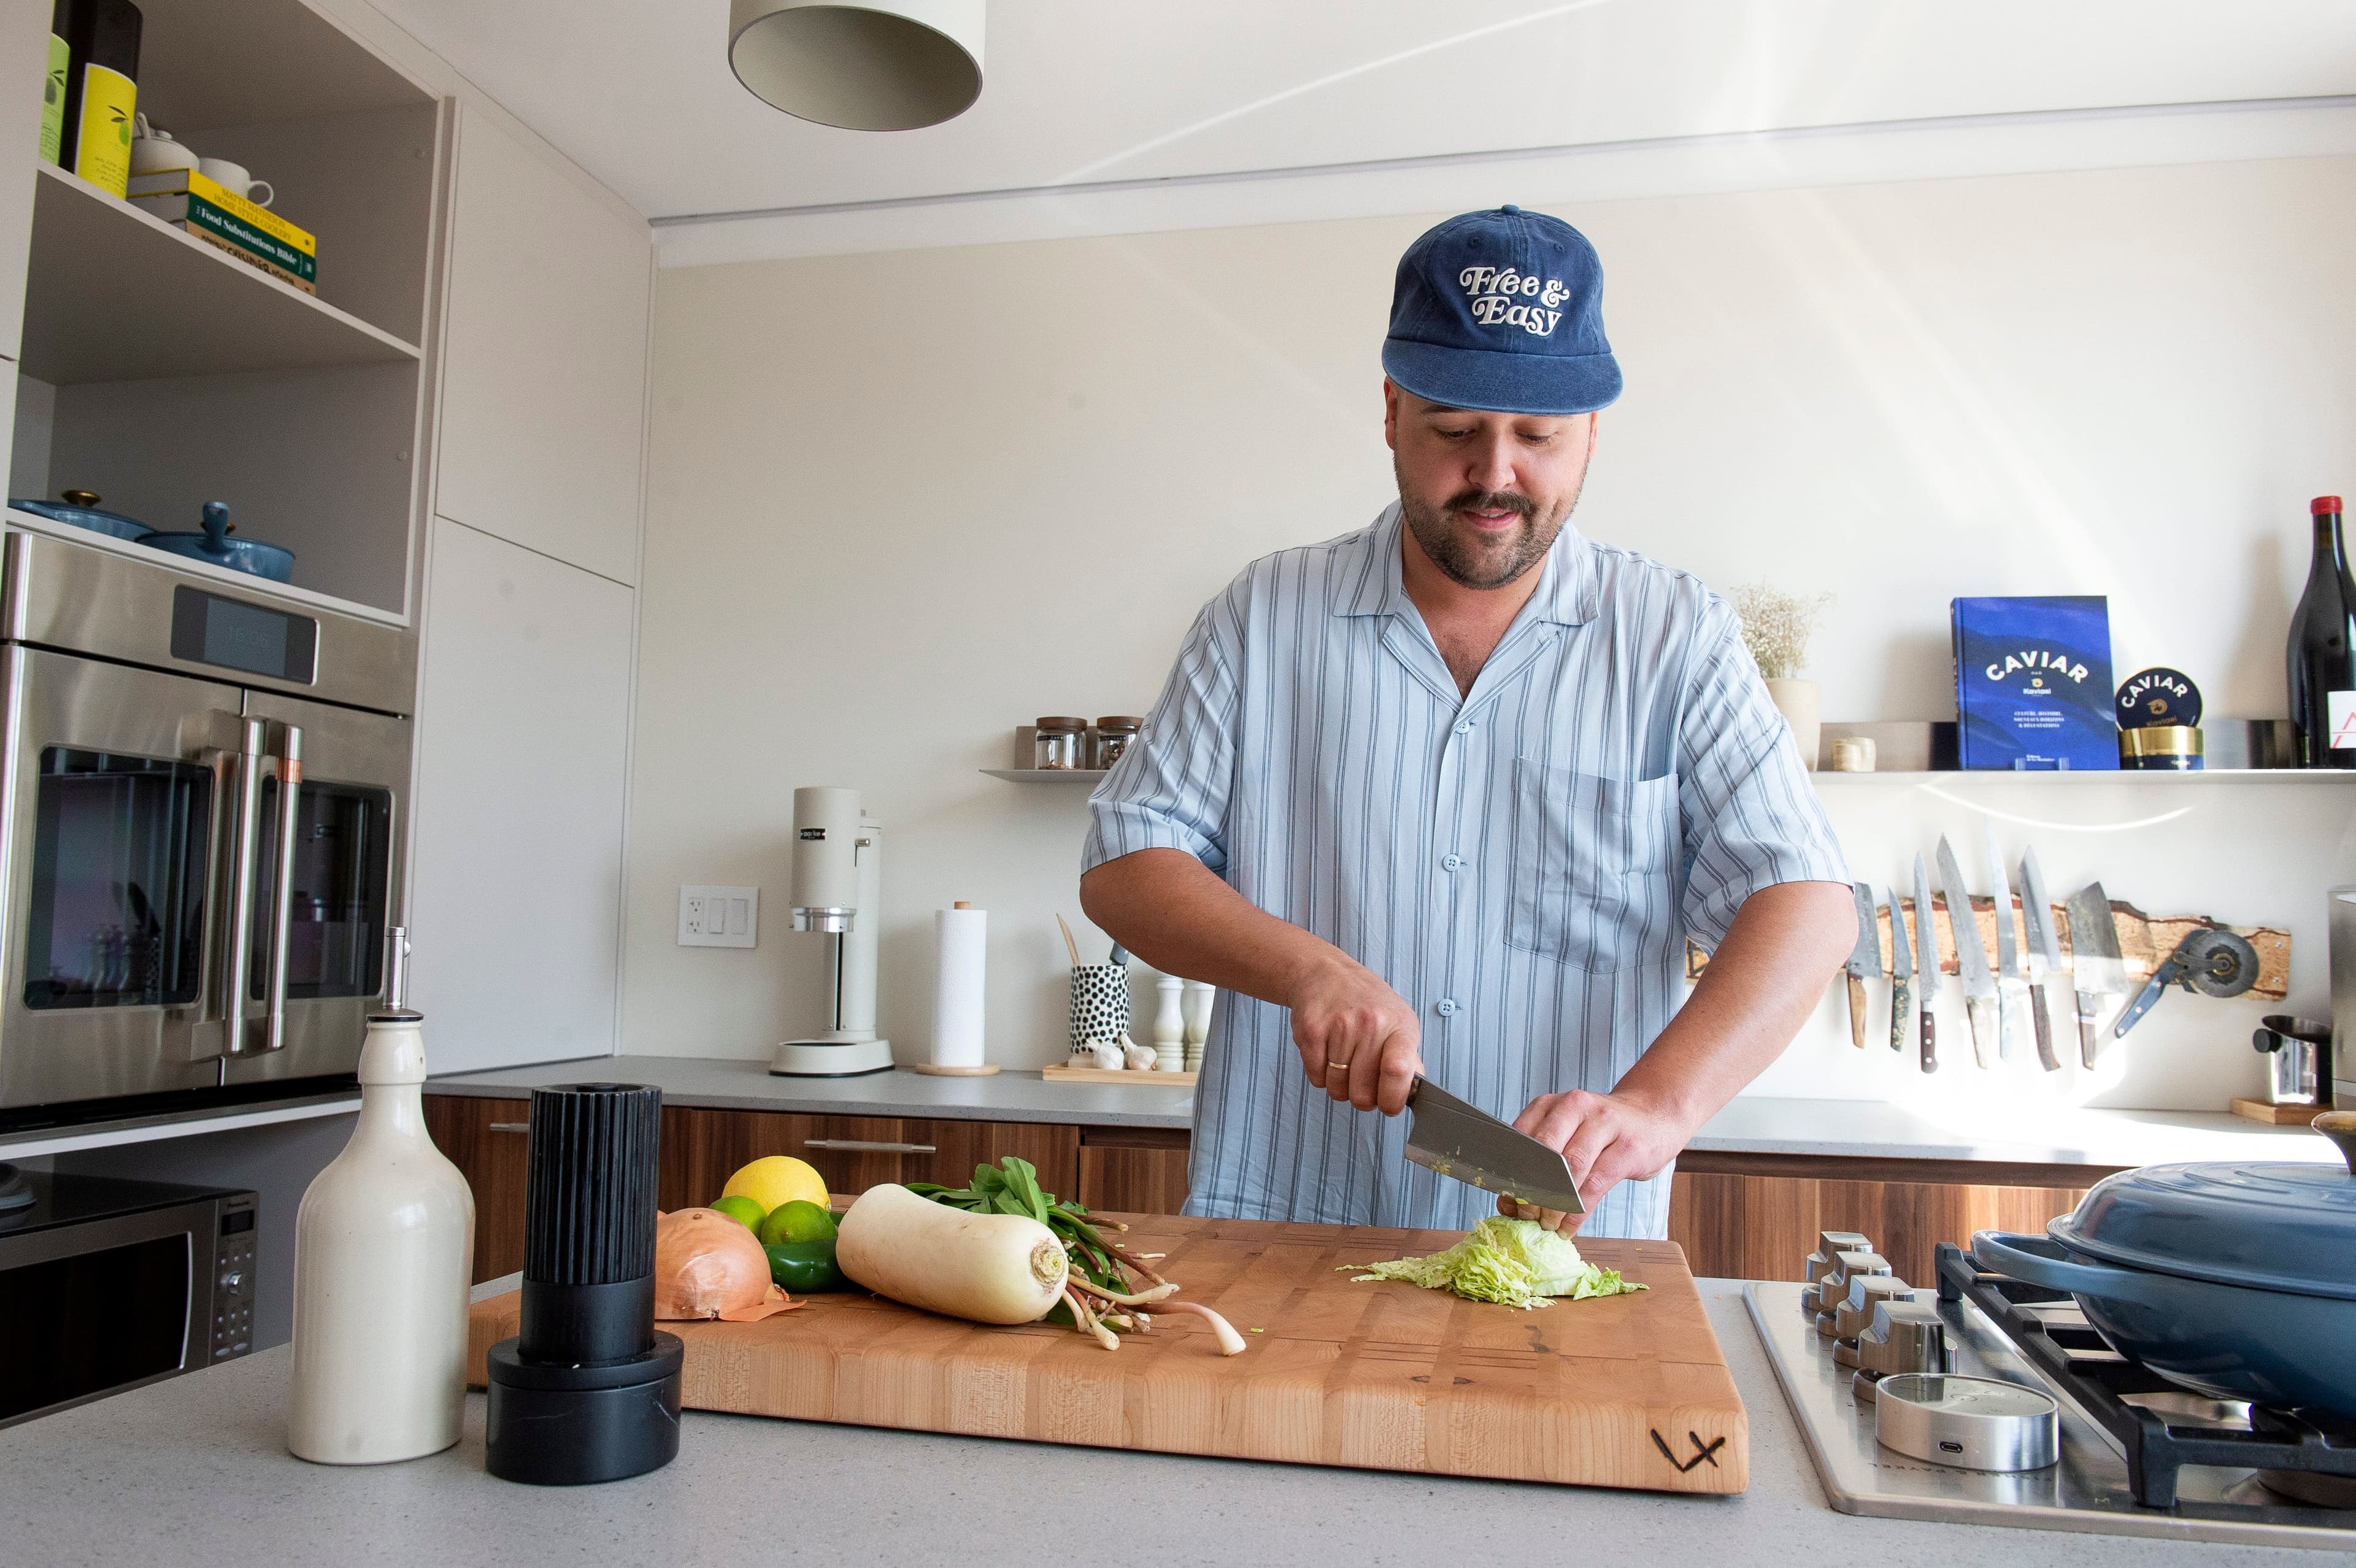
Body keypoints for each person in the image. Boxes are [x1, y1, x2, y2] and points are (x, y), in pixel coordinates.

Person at [1079, 205, 1855, 1239]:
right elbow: (1125, 864)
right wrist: (1308, 969)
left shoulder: (1678, 635)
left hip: (1563, 1248)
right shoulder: (1263, 617)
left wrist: (1660, 1106)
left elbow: (1806, 902)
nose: (1495, 475)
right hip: (1289, 1227)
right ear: (1392, 411)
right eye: (1454, 431)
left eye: (1538, 436)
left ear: (1591, 432)